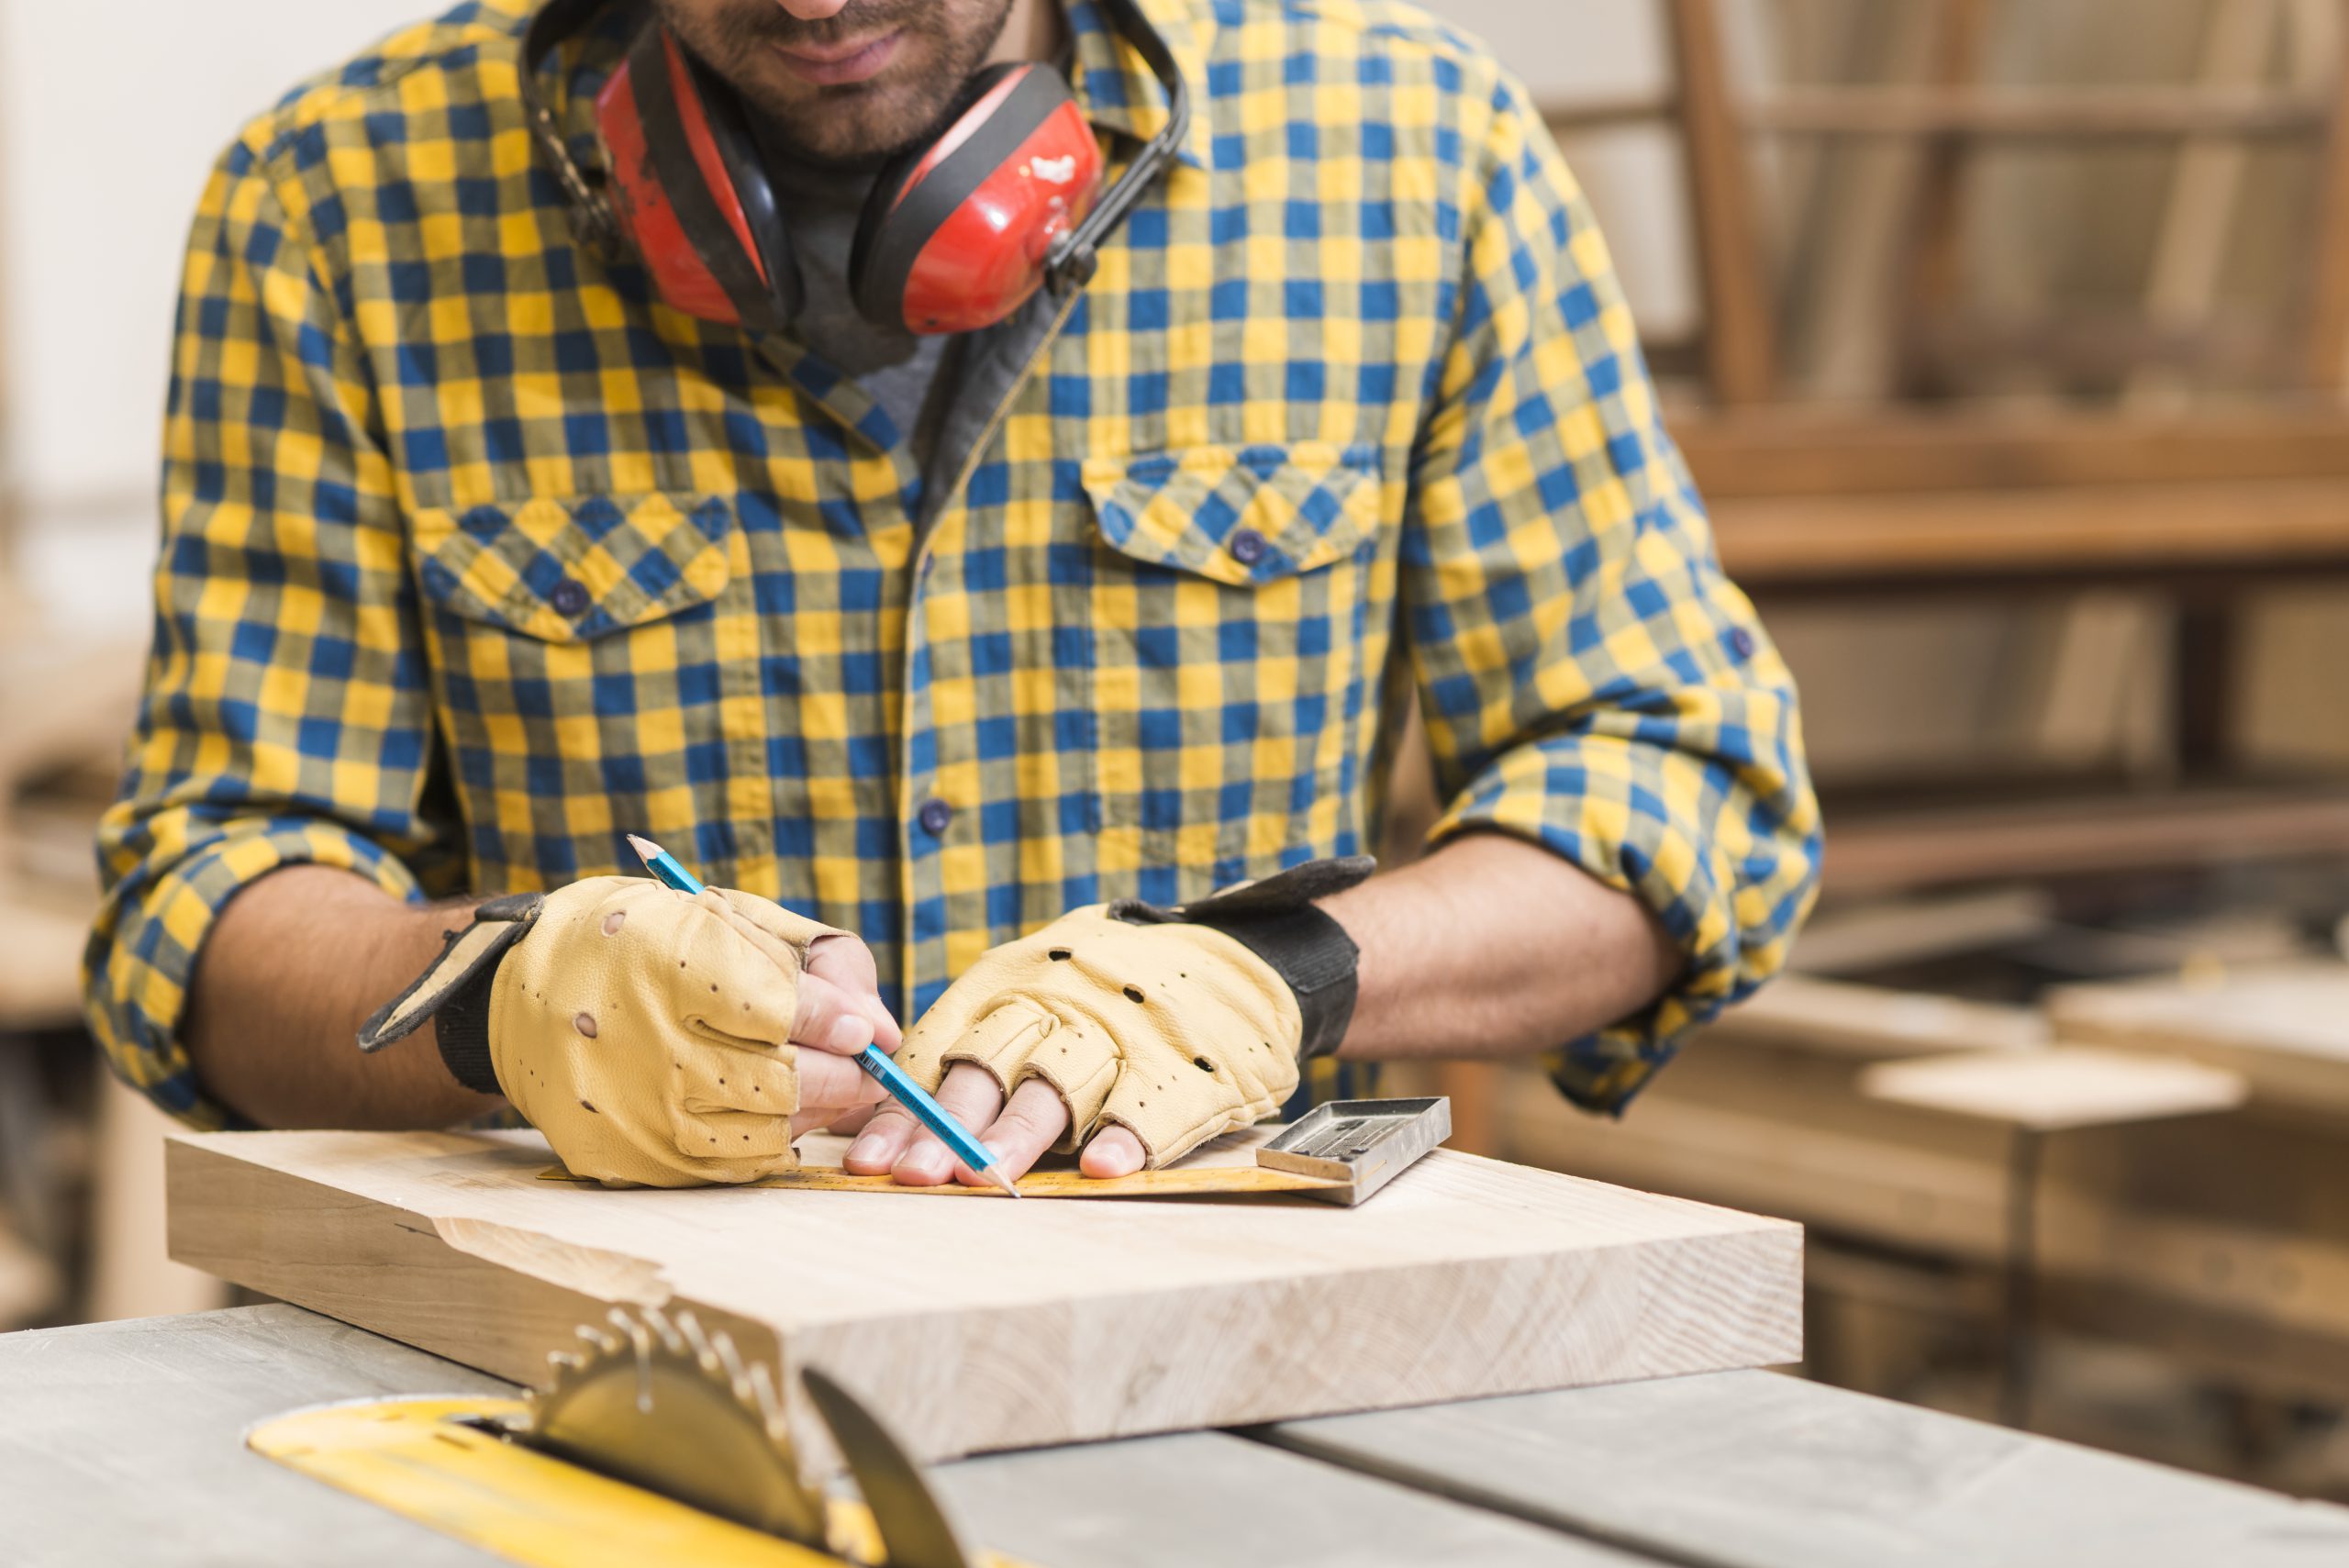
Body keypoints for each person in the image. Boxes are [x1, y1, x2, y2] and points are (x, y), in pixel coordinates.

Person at [85, 0, 1820, 1189]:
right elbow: (205, 913)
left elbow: (1684, 795)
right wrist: (501, 997)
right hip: (604, 1393)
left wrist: (1278, 974)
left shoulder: (1409, 152)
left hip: (1222, 1369)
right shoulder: (339, 207)